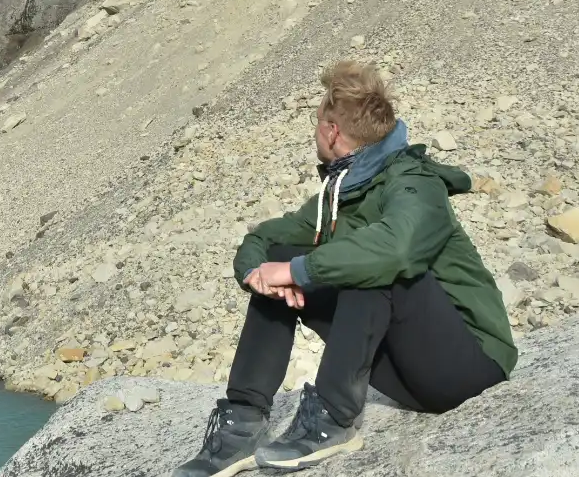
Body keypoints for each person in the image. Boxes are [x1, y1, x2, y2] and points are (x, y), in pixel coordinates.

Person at [171, 61, 516, 475]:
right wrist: (257, 273)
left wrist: (298, 273)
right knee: (285, 254)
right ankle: (243, 423)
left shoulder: (414, 183)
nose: (315, 131)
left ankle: (333, 419)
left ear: (331, 131)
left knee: (373, 263)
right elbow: (264, 238)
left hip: (469, 368)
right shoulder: (341, 193)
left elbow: (397, 249)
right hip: (406, 376)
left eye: (317, 122)